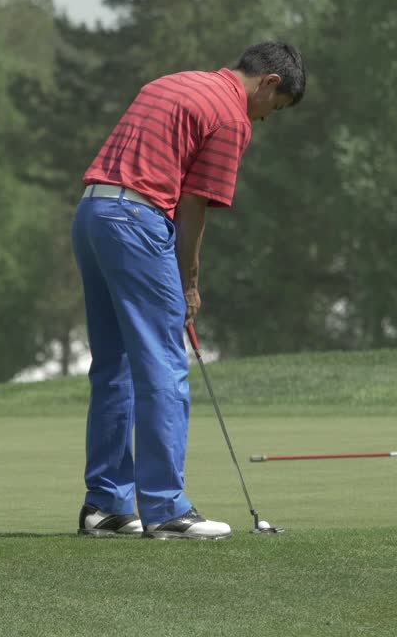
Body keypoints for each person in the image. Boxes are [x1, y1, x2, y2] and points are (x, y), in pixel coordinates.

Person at [71, 42, 306, 539]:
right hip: (136, 219)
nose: (264, 120)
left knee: (114, 364)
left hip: (91, 214)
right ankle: (166, 509)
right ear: (268, 83)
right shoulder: (231, 116)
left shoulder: (173, 82)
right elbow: (193, 206)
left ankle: (107, 506)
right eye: (274, 109)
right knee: (162, 363)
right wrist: (189, 282)